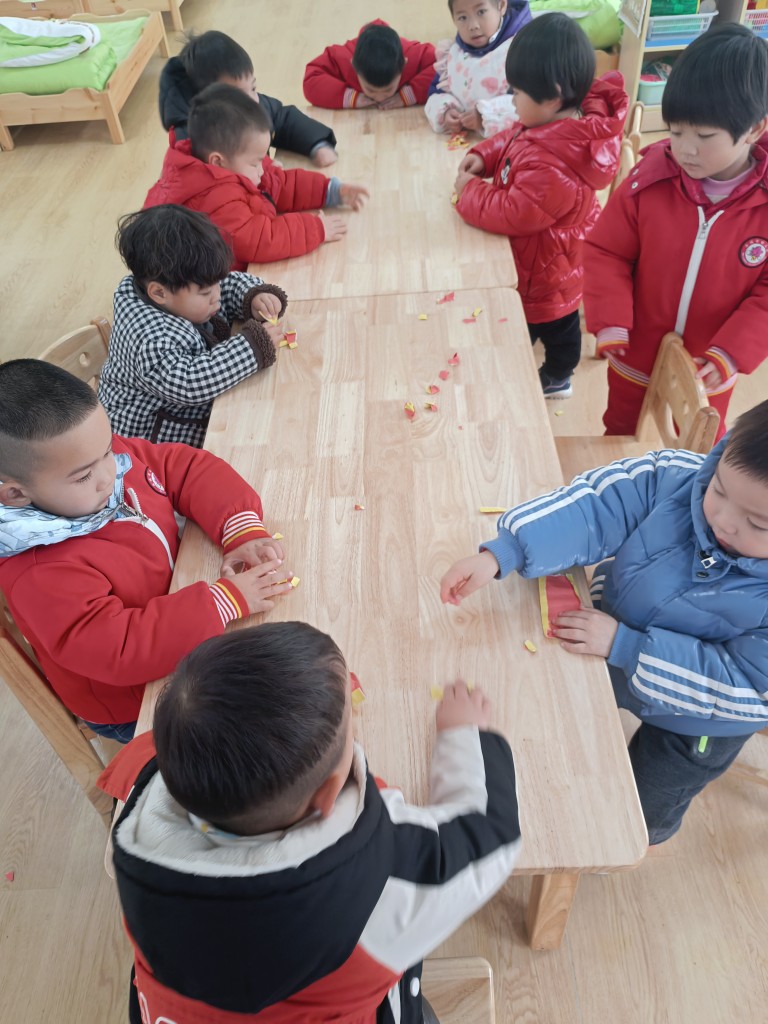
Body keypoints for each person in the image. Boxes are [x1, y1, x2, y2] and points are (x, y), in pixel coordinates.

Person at [101, 622, 522, 1024]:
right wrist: (465, 734)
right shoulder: (383, 881)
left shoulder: (142, 809)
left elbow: (192, 734)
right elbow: (490, 834)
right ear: (330, 792)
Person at [440, 400, 768, 846]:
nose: (723, 521)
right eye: (720, 490)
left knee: (640, 810)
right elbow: (593, 507)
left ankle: (639, 833)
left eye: (757, 523)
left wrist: (628, 647)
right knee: (549, 702)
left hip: (697, 719)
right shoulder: (676, 476)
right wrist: (506, 552)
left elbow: (736, 687)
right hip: (612, 630)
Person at [0, 360, 295, 739]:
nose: (110, 475)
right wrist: (221, 604)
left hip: (180, 614)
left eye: (109, 449)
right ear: (16, 495)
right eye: (85, 476)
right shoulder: (38, 573)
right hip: (136, 702)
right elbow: (118, 647)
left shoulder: (87, 457)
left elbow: (181, 467)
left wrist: (239, 526)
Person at [584, 24, 768, 440]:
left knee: (699, 443)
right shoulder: (648, 183)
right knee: (619, 431)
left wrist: (731, 353)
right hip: (635, 349)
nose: (685, 149)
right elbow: (606, 251)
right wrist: (610, 319)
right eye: (676, 131)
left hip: (709, 364)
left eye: (704, 136)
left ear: (755, 129)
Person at [452, 14, 628, 399]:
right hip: (546, 256)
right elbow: (516, 138)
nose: (512, 101)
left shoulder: (556, 164)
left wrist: (469, 192)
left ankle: (559, 376)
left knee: (555, 324)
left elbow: (513, 212)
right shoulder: (550, 122)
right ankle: (544, 360)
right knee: (550, 320)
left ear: (552, 96)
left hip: (547, 271)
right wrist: (485, 156)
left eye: (516, 93)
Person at [99, 205, 285, 448]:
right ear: (159, 293)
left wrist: (253, 297)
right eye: (206, 292)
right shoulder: (149, 340)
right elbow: (190, 383)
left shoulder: (180, 288)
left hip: (186, 415)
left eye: (217, 283)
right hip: (151, 441)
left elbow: (225, 285)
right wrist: (251, 348)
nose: (217, 295)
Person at [145, 85, 368, 269]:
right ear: (217, 161)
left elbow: (278, 183)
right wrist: (316, 229)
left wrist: (330, 191)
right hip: (209, 289)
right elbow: (260, 241)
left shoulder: (235, 163)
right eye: (255, 163)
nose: (262, 169)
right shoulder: (215, 199)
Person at [159, 30, 338, 167]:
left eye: (253, 88)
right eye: (238, 97)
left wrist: (316, 145)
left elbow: (282, 118)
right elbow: (206, 188)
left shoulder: (252, 105)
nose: (253, 101)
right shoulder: (192, 144)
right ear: (207, 101)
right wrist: (263, 172)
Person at [425, 0, 531, 138]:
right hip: (463, 144)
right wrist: (445, 112)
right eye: (463, 17)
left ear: (501, 6)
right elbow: (436, 92)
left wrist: (486, 116)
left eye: (481, 12)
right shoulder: (452, 54)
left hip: (510, 146)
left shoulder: (521, 49)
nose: (473, 26)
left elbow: (534, 104)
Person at [303, 20, 436, 110]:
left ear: (404, 65)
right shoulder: (343, 56)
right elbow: (311, 79)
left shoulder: (412, 54)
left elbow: (444, 65)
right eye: (370, 90)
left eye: (388, 90)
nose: (380, 98)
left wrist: (409, 95)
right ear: (353, 66)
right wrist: (350, 98)